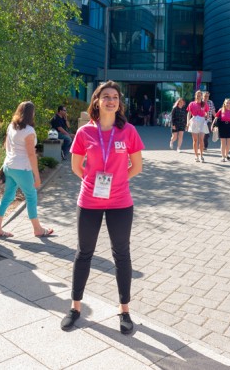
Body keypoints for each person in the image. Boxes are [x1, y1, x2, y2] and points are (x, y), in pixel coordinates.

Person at [60, 81, 144, 335]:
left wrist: (117, 182)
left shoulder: (128, 131)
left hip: (120, 202)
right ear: (96, 101)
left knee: (122, 255)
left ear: (119, 103)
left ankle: (125, 310)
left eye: (115, 97)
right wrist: (93, 182)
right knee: (84, 253)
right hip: (89, 202)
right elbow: (76, 167)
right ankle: (75, 308)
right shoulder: (85, 132)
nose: (111, 100)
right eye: (105, 96)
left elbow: (137, 167)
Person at [0, 101, 55, 238]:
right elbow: (31, 154)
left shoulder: (11, 126)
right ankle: (37, 229)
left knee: (7, 197)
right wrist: (37, 176)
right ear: (31, 114)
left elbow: (6, 145)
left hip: (9, 165)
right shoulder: (29, 131)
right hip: (22, 168)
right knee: (31, 196)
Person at [186, 90, 208, 163]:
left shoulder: (204, 104)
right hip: (194, 121)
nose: (198, 96)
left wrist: (206, 116)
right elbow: (189, 114)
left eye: (200, 95)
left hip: (202, 121)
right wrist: (188, 122)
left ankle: (201, 155)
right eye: (197, 95)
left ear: (202, 96)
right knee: (195, 140)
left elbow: (207, 113)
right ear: (195, 96)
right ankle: (196, 156)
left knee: (201, 139)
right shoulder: (191, 104)